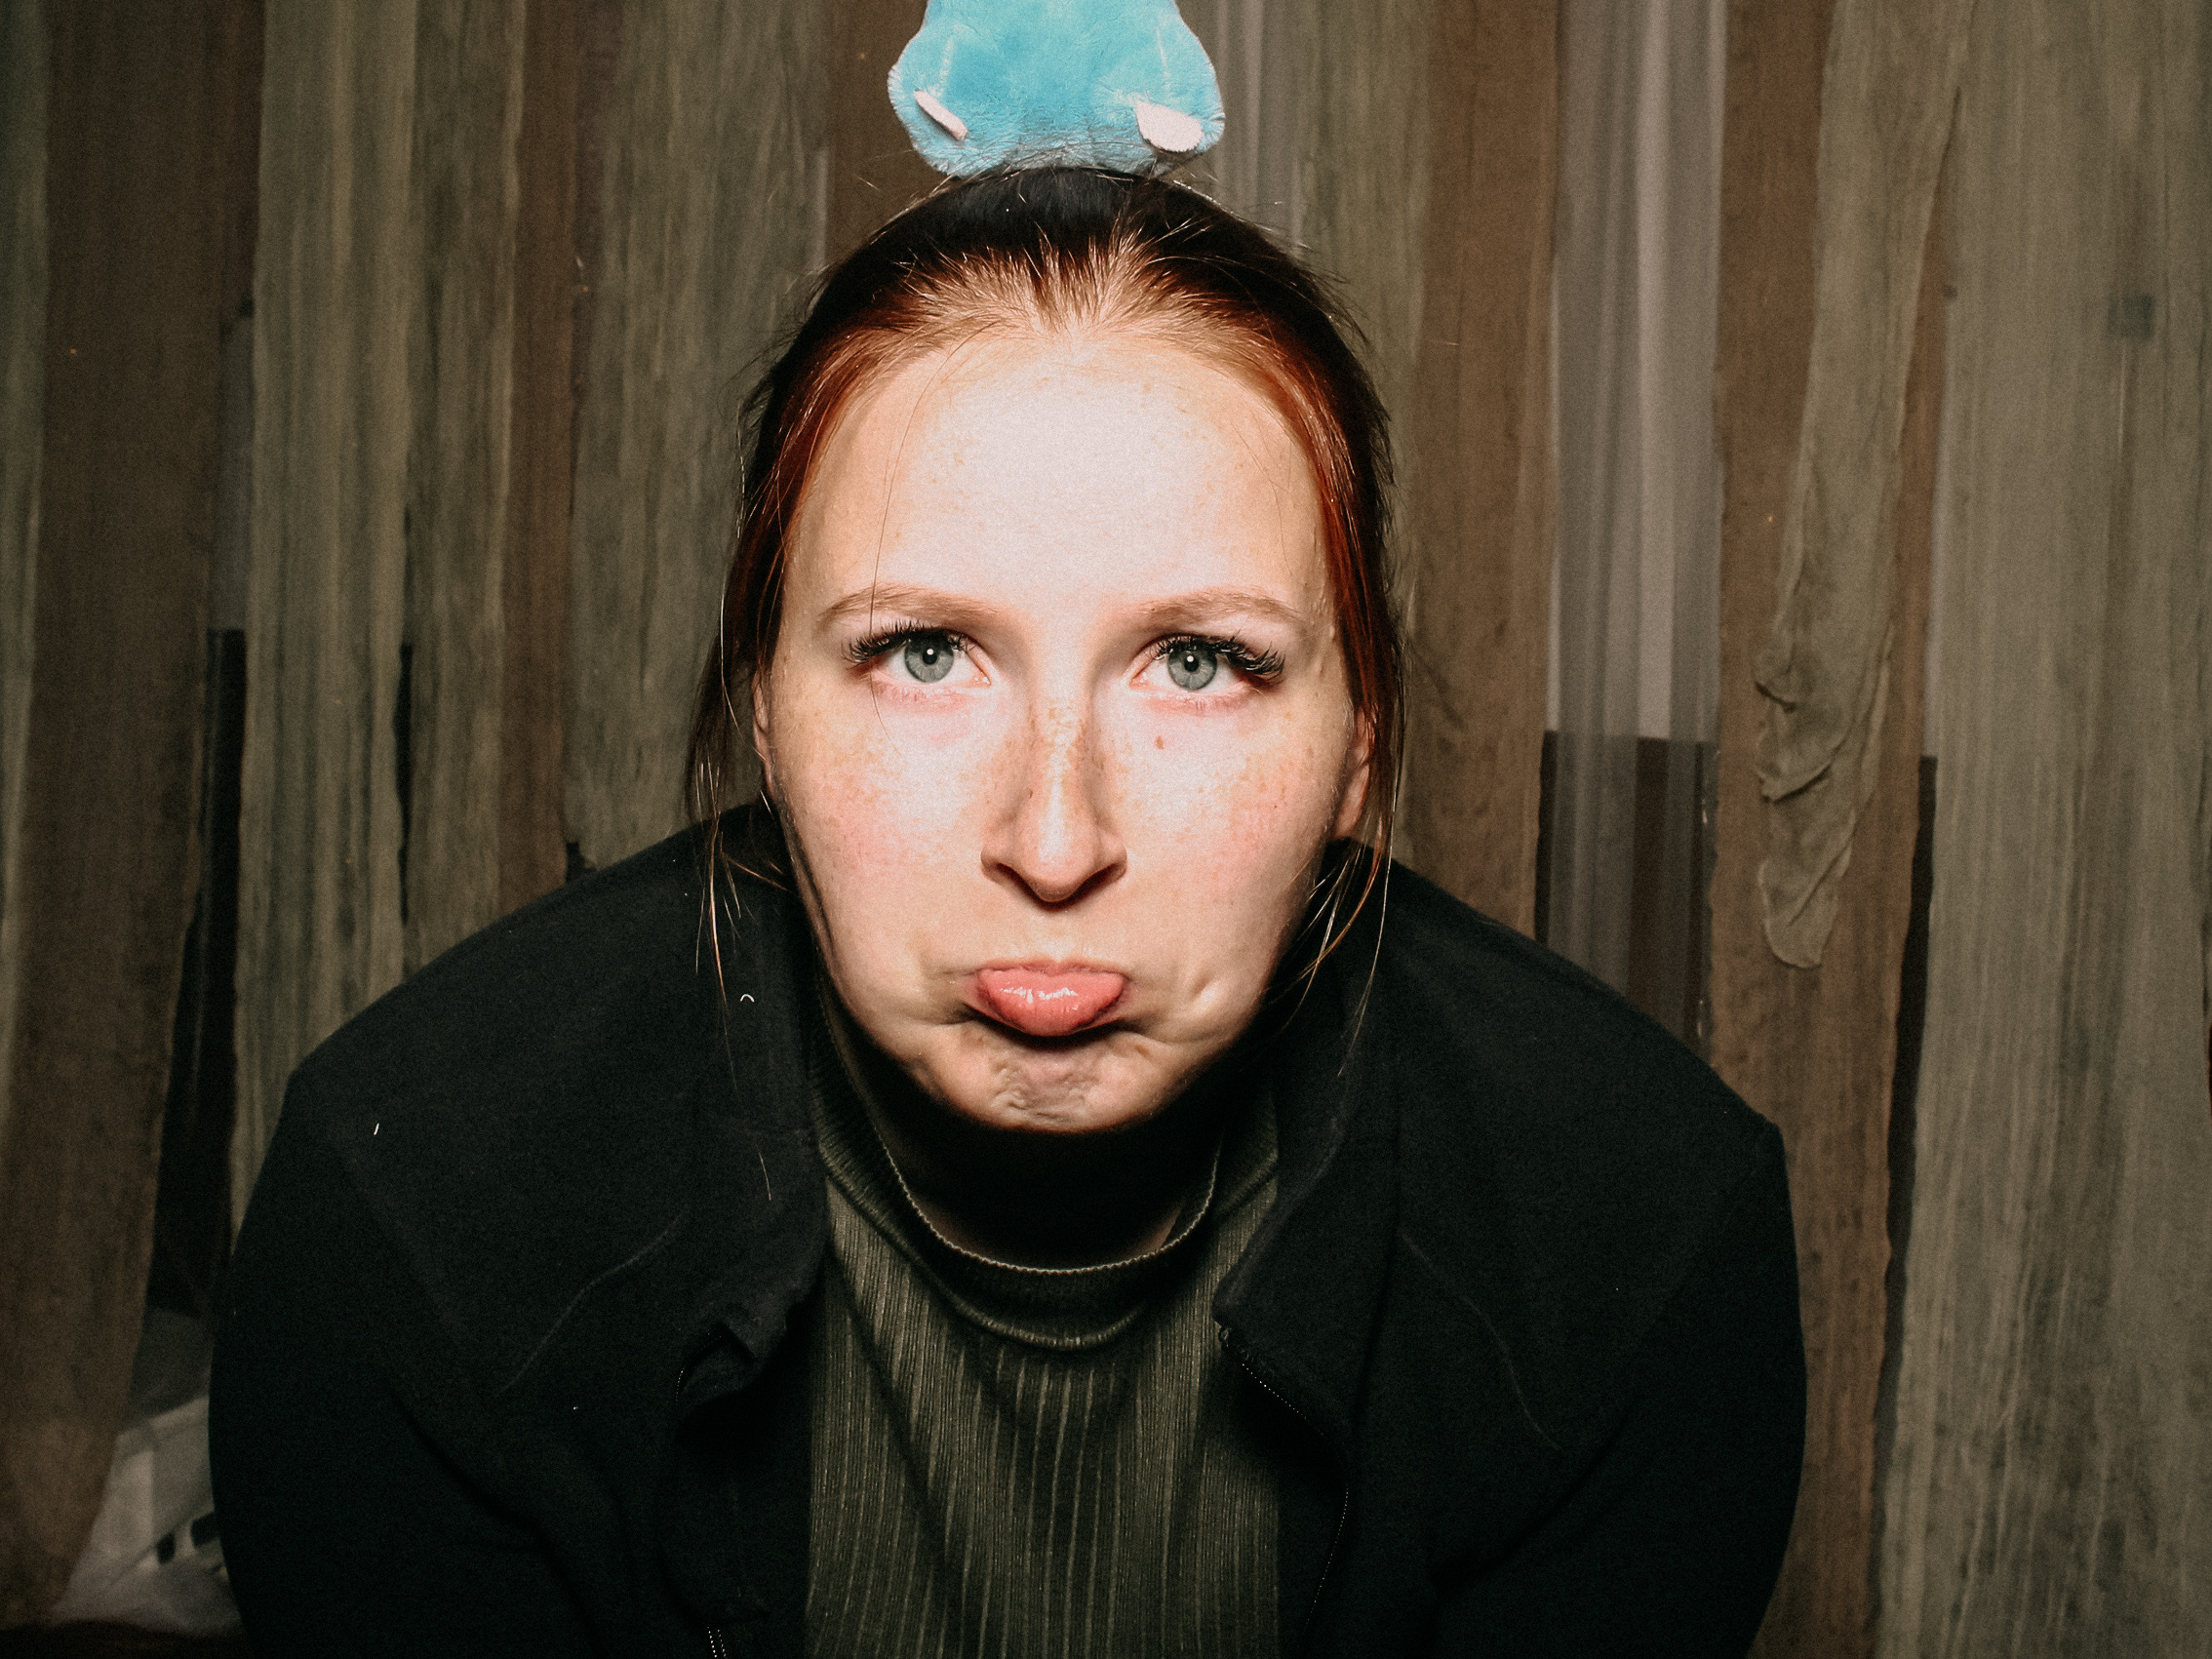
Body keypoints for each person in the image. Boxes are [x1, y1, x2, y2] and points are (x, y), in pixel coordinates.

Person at [210, 165, 1804, 1656]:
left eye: (1200, 662)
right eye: (923, 654)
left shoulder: (1637, 1249)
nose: (1055, 843)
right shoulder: (417, 1218)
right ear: (763, 706)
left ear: (1360, 744)